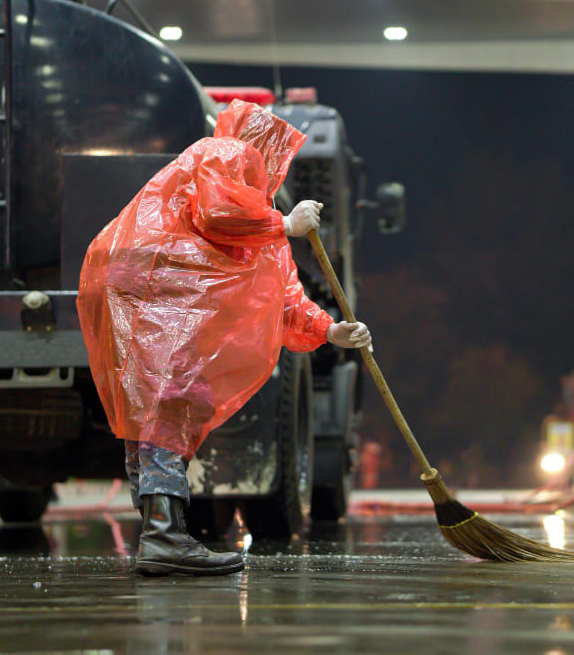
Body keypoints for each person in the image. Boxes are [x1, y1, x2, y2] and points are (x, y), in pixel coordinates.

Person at [77, 100, 373, 576]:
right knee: (165, 407)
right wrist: (286, 225)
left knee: (160, 409)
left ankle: (161, 532)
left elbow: (282, 293)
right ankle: (163, 536)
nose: (272, 168)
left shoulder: (258, 210)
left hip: (151, 294)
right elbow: (217, 215)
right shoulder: (224, 152)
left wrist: (331, 330)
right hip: (153, 289)